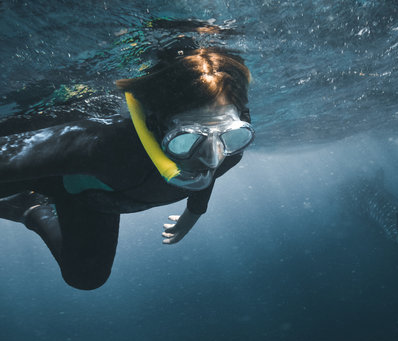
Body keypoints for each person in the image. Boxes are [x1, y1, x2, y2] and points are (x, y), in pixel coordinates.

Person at [0, 46, 254, 290]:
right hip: (49, 177)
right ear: (156, 126)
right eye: (187, 140)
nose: (212, 158)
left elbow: (211, 165)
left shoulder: (229, 153)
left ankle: (32, 209)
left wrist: (195, 211)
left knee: (86, 276)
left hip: (89, 201)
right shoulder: (107, 147)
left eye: (229, 136)